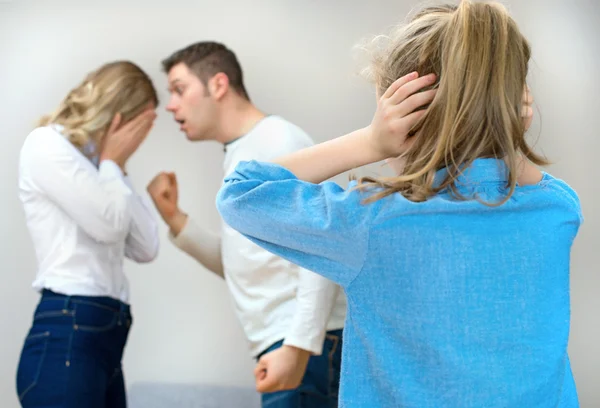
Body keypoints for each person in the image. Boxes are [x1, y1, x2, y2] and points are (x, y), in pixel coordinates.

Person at [215, 2, 583, 407]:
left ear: (404, 124)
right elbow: (528, 180)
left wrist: (369, 142)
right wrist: (504, 129)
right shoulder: (558, 211)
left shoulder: (375, 222)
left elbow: (240, 192)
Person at [146, 42, 347, 407]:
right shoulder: (245, 150)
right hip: (290, 343)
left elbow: (323, 247)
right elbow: (246, 264)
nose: (171, 105)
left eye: (179, 89)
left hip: (303, 345)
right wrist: (175, 219)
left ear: (218, 85)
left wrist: (299, 346)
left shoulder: (277, 141)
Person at [16, 61, 160, 408]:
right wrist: (112, 163)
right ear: (118, 116)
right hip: (69, 331)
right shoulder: (46, 145)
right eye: (140, 126)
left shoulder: (101, 167)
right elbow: (110, 226)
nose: (141, 139)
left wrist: (116, 165)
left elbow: (146, 246)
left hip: (105, 338)